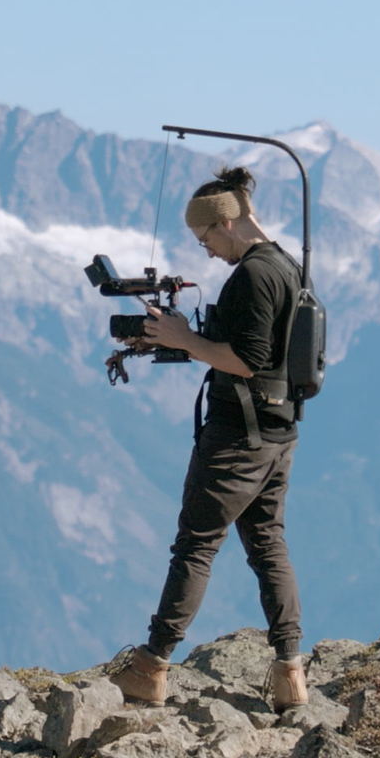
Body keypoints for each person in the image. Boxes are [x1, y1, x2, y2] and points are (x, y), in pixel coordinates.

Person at [107, 167, 308, 710]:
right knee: (268, 544)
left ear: (226, 222)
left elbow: (246, 360)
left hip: (237, 438)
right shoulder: (288, 266)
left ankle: (150, 666)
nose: (208, 252)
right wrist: (187, 340)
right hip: (278, 433)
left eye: (205, 239)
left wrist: (183, 337)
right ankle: (290, 674)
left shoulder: (252, 275)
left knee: (196, 545)